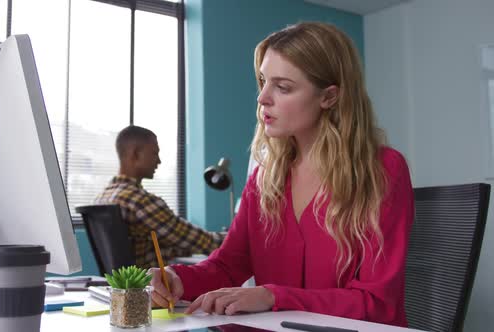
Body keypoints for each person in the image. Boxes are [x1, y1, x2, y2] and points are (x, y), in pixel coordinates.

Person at [149, 21, 414, 327]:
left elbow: (377, 303)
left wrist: (273, 297)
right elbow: (227, 266)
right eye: (263, 81)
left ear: (329, 97)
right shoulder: (265, 177)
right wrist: (177, 278)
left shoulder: (382, 170)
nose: (262, 98)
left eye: (283, 87)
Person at [95, 125, 225, 269]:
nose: (159, 161)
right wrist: (238, 237)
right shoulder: (140, 201)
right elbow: (201, 242)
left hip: (121, 288)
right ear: (136, 154)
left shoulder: (102, 198)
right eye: (154, 153)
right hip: (149, 287)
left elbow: (167, 244)